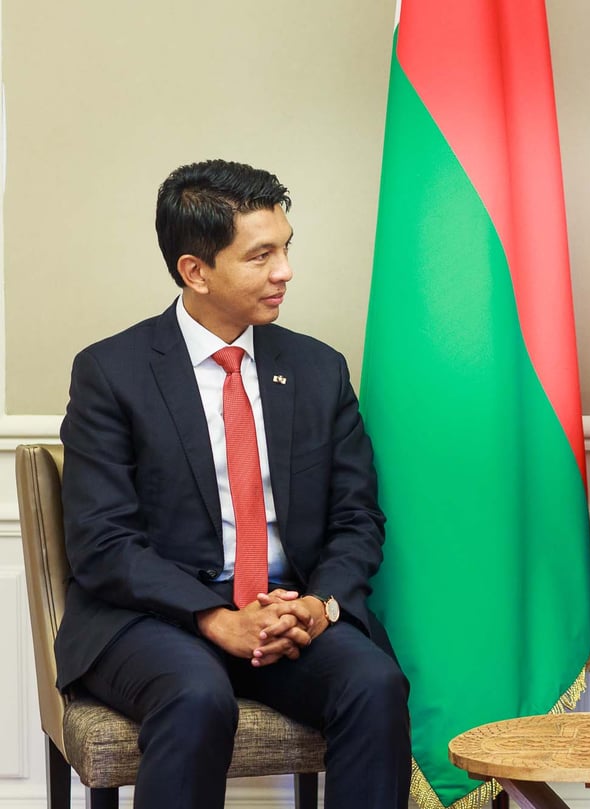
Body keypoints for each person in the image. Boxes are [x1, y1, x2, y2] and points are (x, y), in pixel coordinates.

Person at [56, 159, 411, 809]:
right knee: (195, 693)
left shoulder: (317, 369)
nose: (285, 271)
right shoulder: (112, 373)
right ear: (195, 270)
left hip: (286, 614)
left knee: (373, 682)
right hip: (152, 617)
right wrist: (215, 618)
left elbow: (357, 517)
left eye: (286, 247)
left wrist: (320, 605)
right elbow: (102, 540)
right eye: (261, 255)